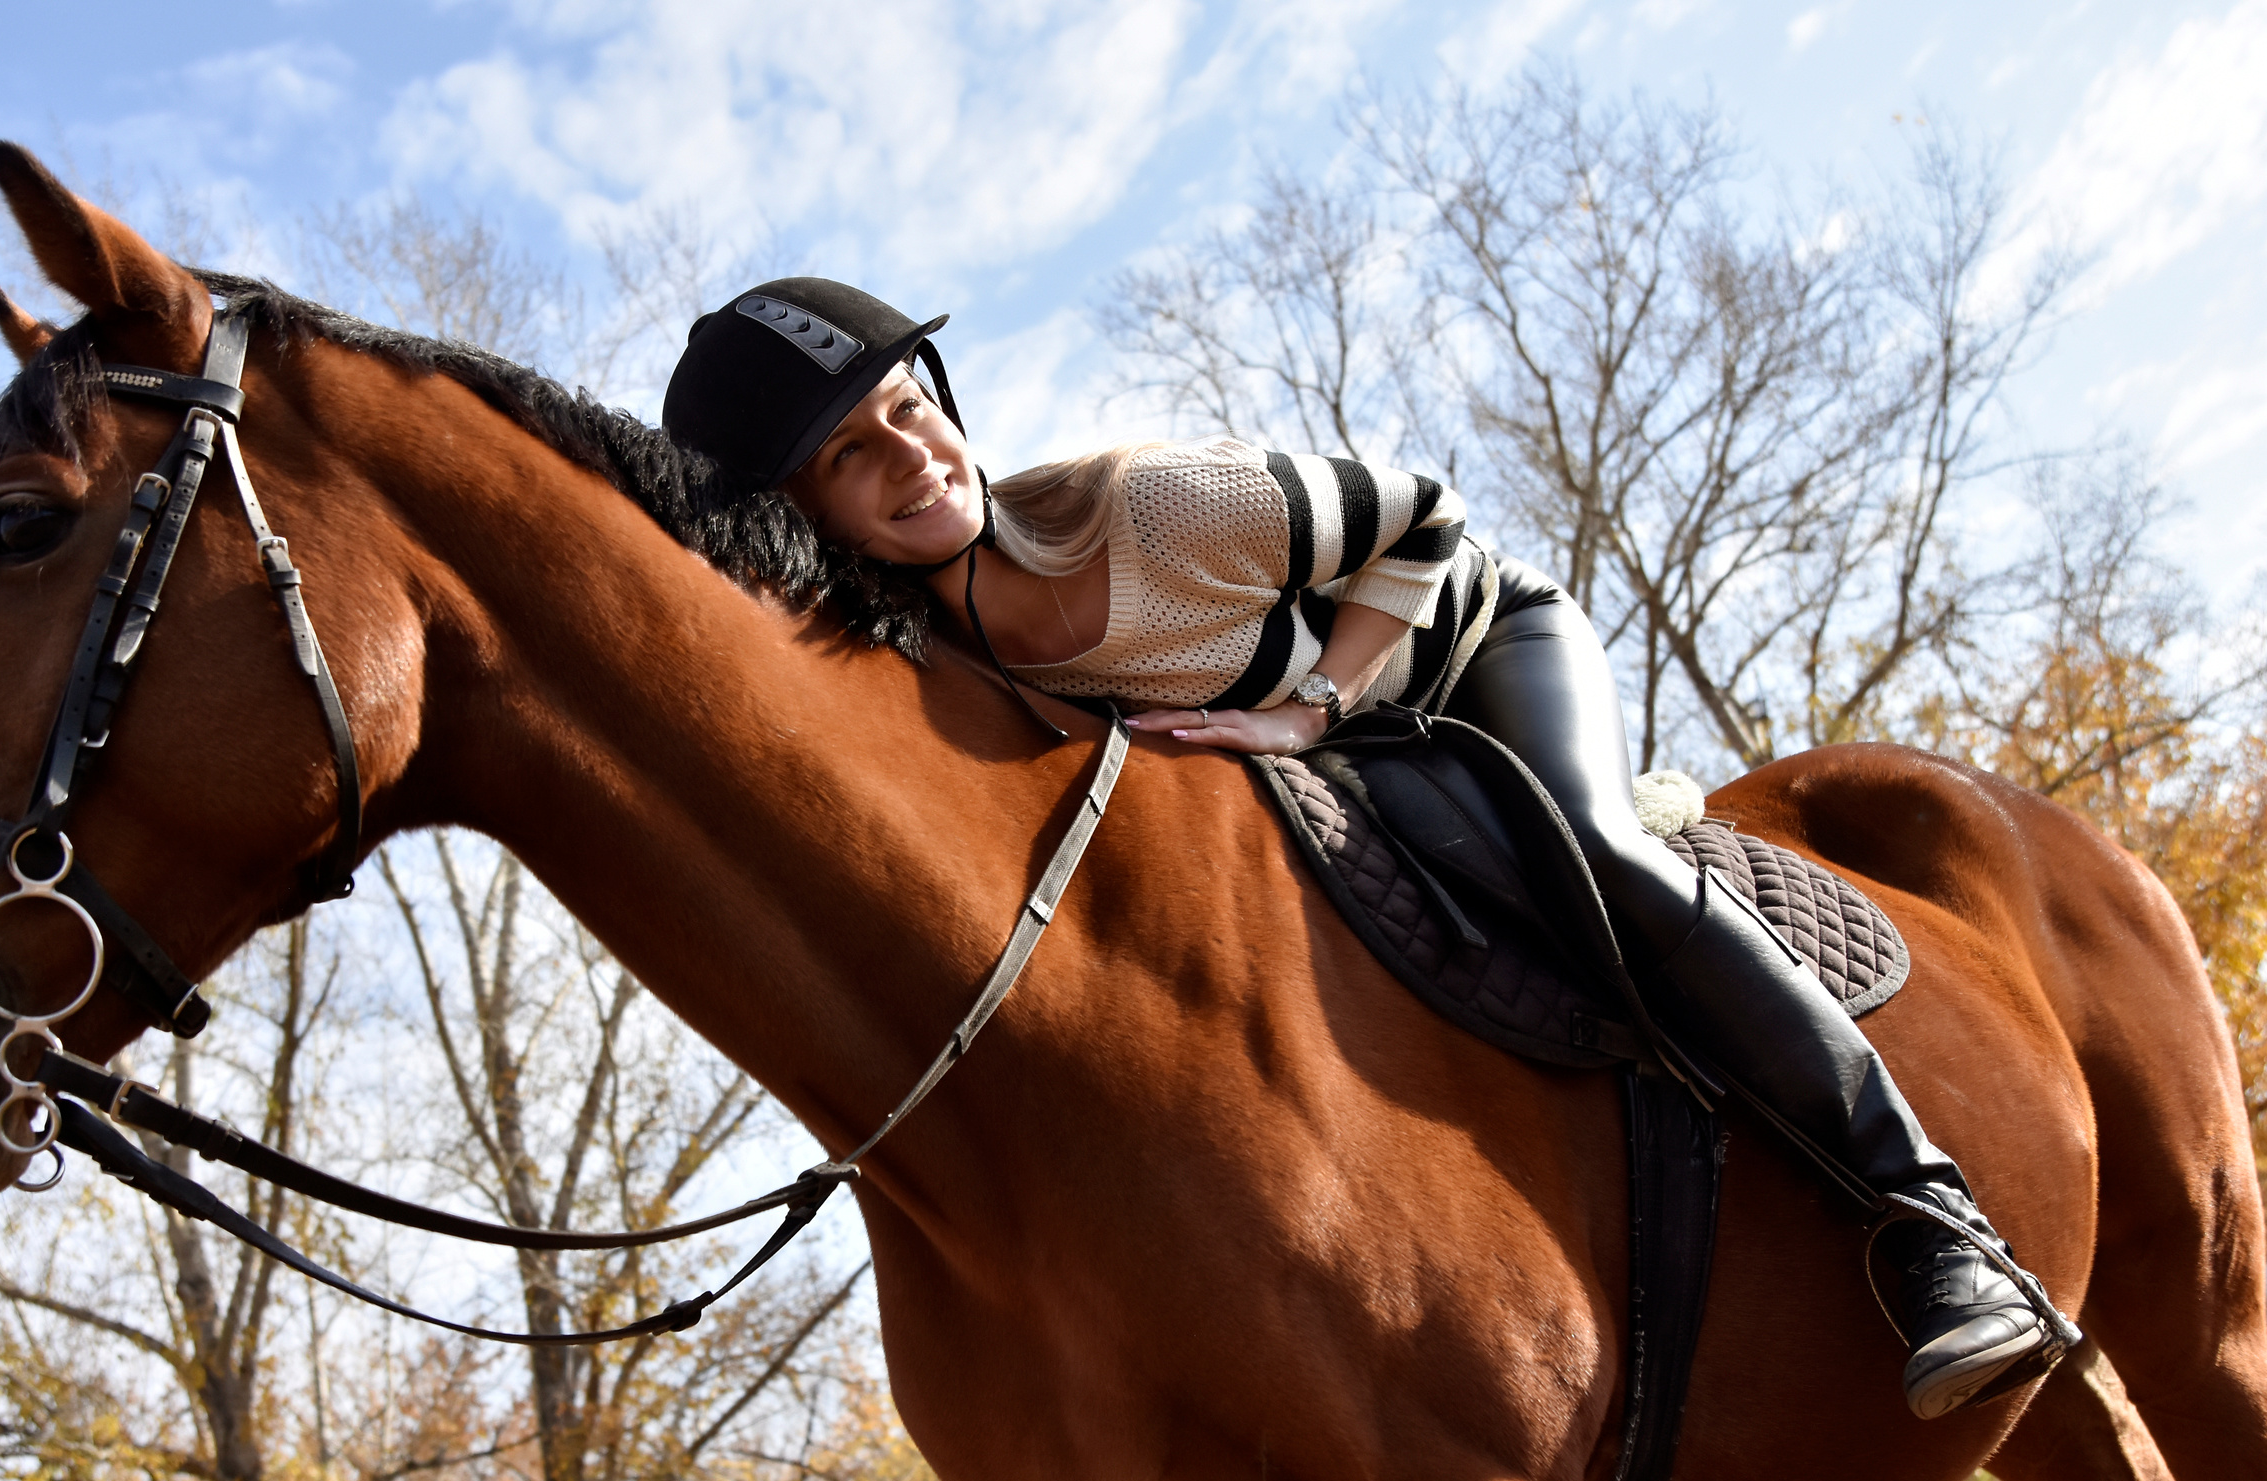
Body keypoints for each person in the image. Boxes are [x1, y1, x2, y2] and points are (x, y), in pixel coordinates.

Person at [662, 278, 2074, 1420]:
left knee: (1601, 858)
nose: (912, 456)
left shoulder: (1152, 505)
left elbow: (1429, 518)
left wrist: (1310, 707)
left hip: (1468, 650)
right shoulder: (938, 666)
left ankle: (1937, 1226)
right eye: (854, 453)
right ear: (807, 514)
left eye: (910, 410)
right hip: (1329, 758)